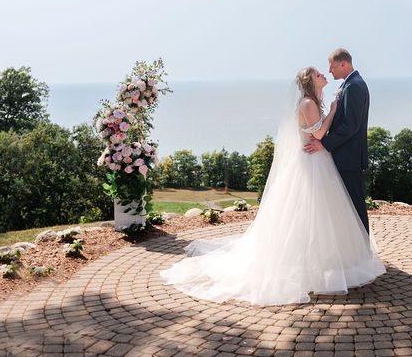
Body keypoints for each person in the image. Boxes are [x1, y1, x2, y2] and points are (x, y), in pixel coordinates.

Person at [158, 66, 384, 305]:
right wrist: (334, 111)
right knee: (307, 212)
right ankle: (309, 263)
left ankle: (329, 260)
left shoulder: (312, 101)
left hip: (318, 161)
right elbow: (318, 135)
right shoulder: (307, 103)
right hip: (311, 163)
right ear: (310, 82)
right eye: (319, 74)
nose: (323, 75)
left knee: (321, 214)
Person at [303, 48, 371, 232]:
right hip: (344, 156)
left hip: (349, 158)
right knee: (346, 207)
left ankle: (362, 249)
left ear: (343, 64)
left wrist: (324, 144)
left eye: (332, 66)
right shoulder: (349, 84)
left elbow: (350, 125)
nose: (330, 71)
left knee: (355, 206)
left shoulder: (354, 86)